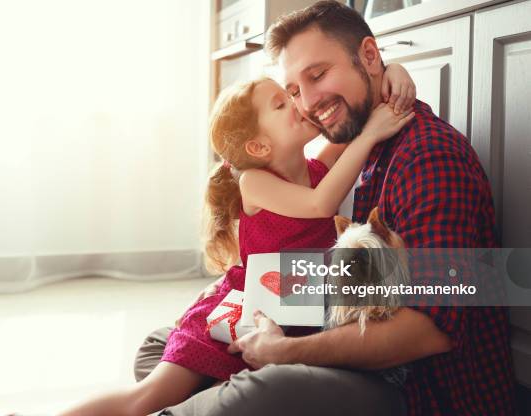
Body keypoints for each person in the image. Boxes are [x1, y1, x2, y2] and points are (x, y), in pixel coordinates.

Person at [133, 1, 517, 416]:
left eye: (317, 75)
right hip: (344, 326)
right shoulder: (363, 143)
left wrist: (286, 351)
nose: (307, 103)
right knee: (163, 344)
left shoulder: (429, 159)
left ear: (369, 56)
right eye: (293, 91)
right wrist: (249, 289)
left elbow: (430, 331)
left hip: (416, 390)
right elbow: (349, 271)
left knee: (257, 388)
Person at [55, 63, 415, 416]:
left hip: (287, 317)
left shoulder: (318, 166)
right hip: (242, 312)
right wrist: (368, 138)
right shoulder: (255, 182)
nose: (299, 102)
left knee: (222, 398)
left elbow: (356, 116)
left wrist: (391, 72)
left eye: (291, 95)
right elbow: (321, 204)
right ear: (258, 147)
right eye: (282, 103)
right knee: (146, 399)